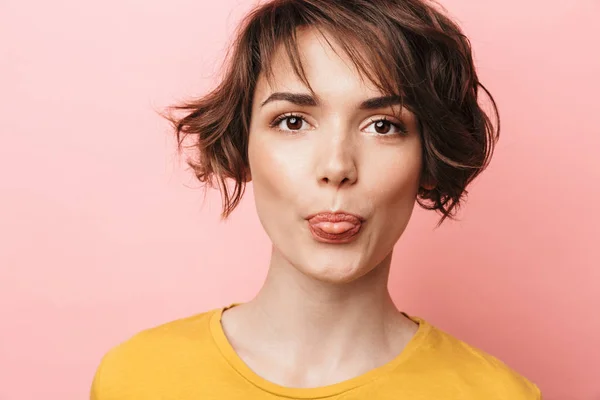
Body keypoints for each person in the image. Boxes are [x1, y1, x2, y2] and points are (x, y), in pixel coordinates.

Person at [90, 0, 541, 398]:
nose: (337, 166)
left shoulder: (496, 395)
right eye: (292, 121)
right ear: (241, 146)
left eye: (383, 125)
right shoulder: (136, 379)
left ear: (426, 161)